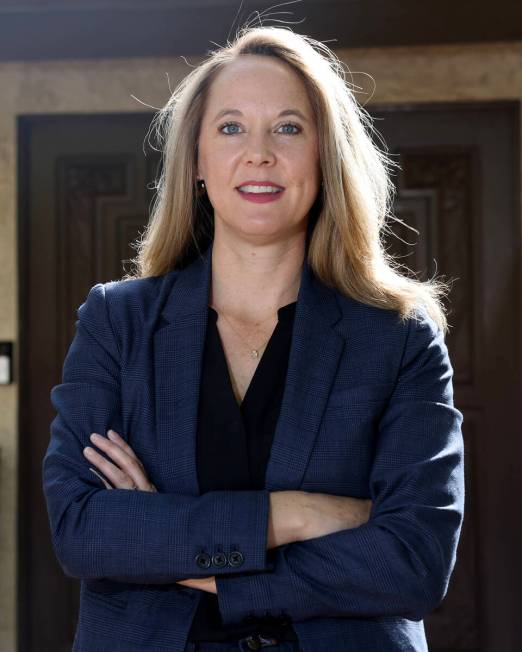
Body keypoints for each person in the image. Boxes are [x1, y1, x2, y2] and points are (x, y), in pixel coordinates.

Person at [42, 24, 464, 652]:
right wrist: (294, 515)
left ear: (326, 156)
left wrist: (170, 544)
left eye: (289, 127)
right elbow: (83, 531)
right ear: (195, 163)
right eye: (231, 127)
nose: (259, 153)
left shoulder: (401, 339)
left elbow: (412, 561)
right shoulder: (117, 323)